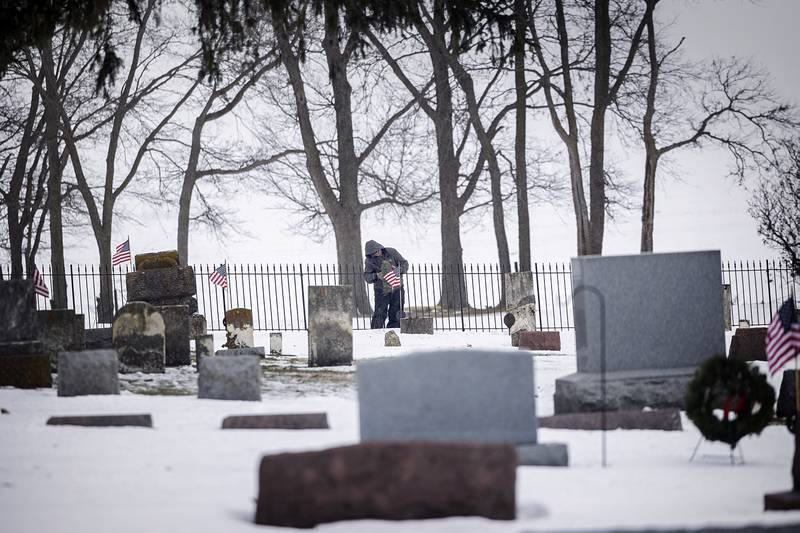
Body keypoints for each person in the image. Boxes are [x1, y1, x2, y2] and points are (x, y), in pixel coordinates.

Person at [363, 240, 408, 329]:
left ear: (380, 248)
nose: (376, 254)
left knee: (396, 311)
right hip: (381, 289)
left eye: (377, 251)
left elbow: (405, 264)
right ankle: (375, 332)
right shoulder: (369, 261)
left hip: (397, 287)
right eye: (373, 254)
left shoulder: (392, 252)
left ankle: (394, 330)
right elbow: (367, 277)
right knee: (380, 312)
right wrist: (377, 275)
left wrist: (399, 270)